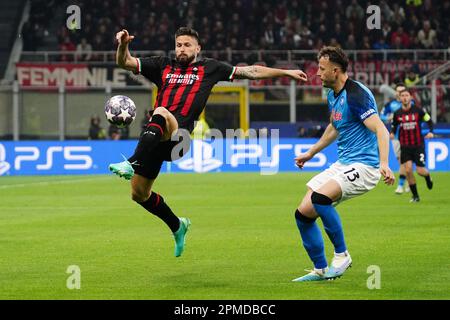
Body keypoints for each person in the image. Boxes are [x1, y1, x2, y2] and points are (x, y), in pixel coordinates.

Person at [109, 27, 308, 257]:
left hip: (179, 139)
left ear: (197, 48)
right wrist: (123, 44)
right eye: (179, 45)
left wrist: (285, 73)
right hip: (155, 138)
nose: (182, 49)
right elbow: (125, 62)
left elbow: (250, 71)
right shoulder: (162, 65)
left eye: (187, 45)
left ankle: (131, 162)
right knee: (139, 194)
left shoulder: (210, 68)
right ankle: (177, 225)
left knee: (161, 111)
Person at [292, 46, 395, 282]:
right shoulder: (332, 94)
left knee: (320, 198)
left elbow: (381, 129)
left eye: (322, 68)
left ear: (336, 71)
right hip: (344, 163)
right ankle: (320, 270)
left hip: (365, 166)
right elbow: (334, 127)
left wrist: (384, 163)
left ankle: (342, 256)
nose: (317, 73)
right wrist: (310, 153)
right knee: (303, 214)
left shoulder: (356, 95)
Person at [391, 88, 434, 202]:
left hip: (418, 145)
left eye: (406, 95)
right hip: (404, 146)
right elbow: (394, 126)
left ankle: (428, 176)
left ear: (410, 97)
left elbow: (429, 120)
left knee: (420, 171)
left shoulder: (418, 111)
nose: (405, 97)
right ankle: (415, 196)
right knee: (408, 170)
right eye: (402, 96)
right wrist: (392, 133)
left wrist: (430, 132)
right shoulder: (397, 113)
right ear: (400, 98)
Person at [380, 83, 411, 194]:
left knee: (403, 161)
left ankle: (400, 186)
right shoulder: (391, 104)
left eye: (402, 90)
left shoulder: (410, 104)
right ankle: (409, 181)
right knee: (401, 161)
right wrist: (389, 117)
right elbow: (381, 115)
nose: (400, 93)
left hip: (408, 136)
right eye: (398, 91)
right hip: (395, 137)